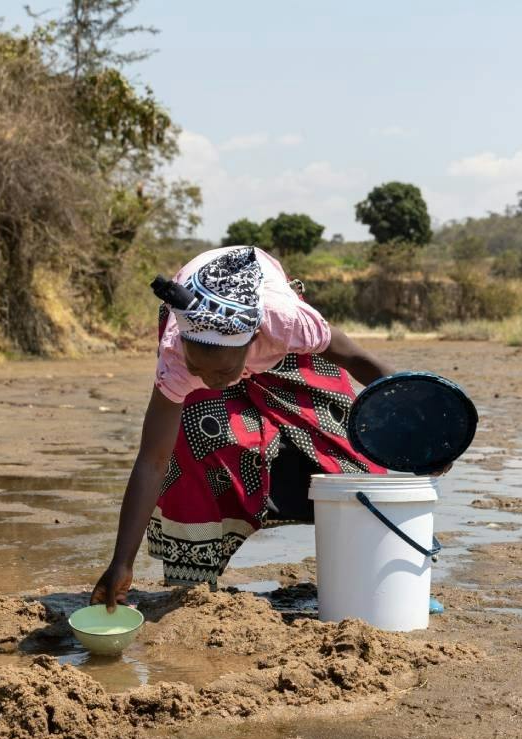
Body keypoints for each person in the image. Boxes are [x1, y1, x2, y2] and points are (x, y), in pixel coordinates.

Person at [90, 245, 399, 609]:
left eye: (220, 372)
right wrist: (121, 563)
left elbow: (365, 363)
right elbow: (152, 459)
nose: (208, 380)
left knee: (346, 438)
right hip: (206, 322)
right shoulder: (179, 357)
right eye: (198, 368)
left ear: (253, 343)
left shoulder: (288, 323)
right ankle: (193, 589)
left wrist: (423, 430)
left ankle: (384, 580)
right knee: (195, 441)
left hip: (268, 328)